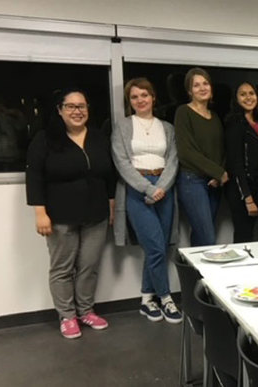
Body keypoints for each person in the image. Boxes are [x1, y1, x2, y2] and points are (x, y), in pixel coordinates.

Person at [25, 87, 116, 339]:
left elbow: (108, 175)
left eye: (82, 106)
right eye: (71, 106)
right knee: (62, 268)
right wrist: (40, 213)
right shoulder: (45, 139)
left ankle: (86, 310)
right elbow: (34, 177)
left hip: (96, 214)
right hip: (59, 216)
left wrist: (111, 207)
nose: (77, 111)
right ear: (60, 110)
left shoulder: (98, 137)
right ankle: (67, 315)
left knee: (89, 266)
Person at [111, 78, 182, 324]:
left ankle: (146, 299)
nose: (140, 100)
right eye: (134, 97)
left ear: (153, 97)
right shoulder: (123, 126)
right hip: (137, 192)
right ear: (129, 102)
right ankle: (166, 298)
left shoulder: (168, 128)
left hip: (164, 190)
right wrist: (148, 189)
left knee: (160, 247)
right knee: (154, 247)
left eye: (144, 95)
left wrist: (160, 187)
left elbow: (173, 160)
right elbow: (121, 162)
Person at [174, 67, 228, 246]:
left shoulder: (215, 117)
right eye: (196, 85)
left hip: (213, 183)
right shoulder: (183, 112)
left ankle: (193, 274)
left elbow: (221, 149)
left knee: (200, 236)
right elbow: (185, 151)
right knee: (208, 238)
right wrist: (217, 172)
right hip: (192, 181)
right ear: (189, 91)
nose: (202, 88)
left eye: (205, 83)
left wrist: (218, 175)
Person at [224, 82, 258, 243]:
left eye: (251, 93)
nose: (248, 97)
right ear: (236, 99)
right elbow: (235, 163)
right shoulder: (235, 124)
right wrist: (248, 198)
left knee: (251, 234)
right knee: (244, 235)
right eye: (243, 94)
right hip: (241, 190)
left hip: (257, 185)